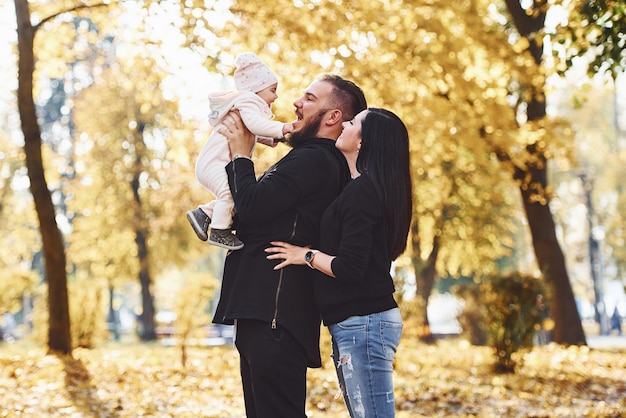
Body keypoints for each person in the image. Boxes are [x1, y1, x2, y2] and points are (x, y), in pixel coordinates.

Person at [213, 73, 367, 417]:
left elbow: (251, 207)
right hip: (267, 312)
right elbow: (260, 211)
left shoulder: (314, 159)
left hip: (274, 314)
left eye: (309, 99)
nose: (296, 103)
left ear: (333, 117)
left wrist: (241, 155)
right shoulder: (314, 159)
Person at [266, 108, 413, 418]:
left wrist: (304, 255)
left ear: (364, 142)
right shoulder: (364, 188)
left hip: (365, 324)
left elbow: (350, 267)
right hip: (360, 323)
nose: (344, 125)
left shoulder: (363, 192)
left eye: (353, 123)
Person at [186, 52, 293, 250]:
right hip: (213, 163)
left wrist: (271, 138)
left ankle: (203, 214)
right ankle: (219, 231)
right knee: (228, 192)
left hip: (216, 163)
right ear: (257, 89)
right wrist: (282, 128)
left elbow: (250, 129)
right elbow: (254, 124)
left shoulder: (248, 104)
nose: (276, 96)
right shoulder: (248, 101)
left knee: (234, 195)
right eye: (273, 90)